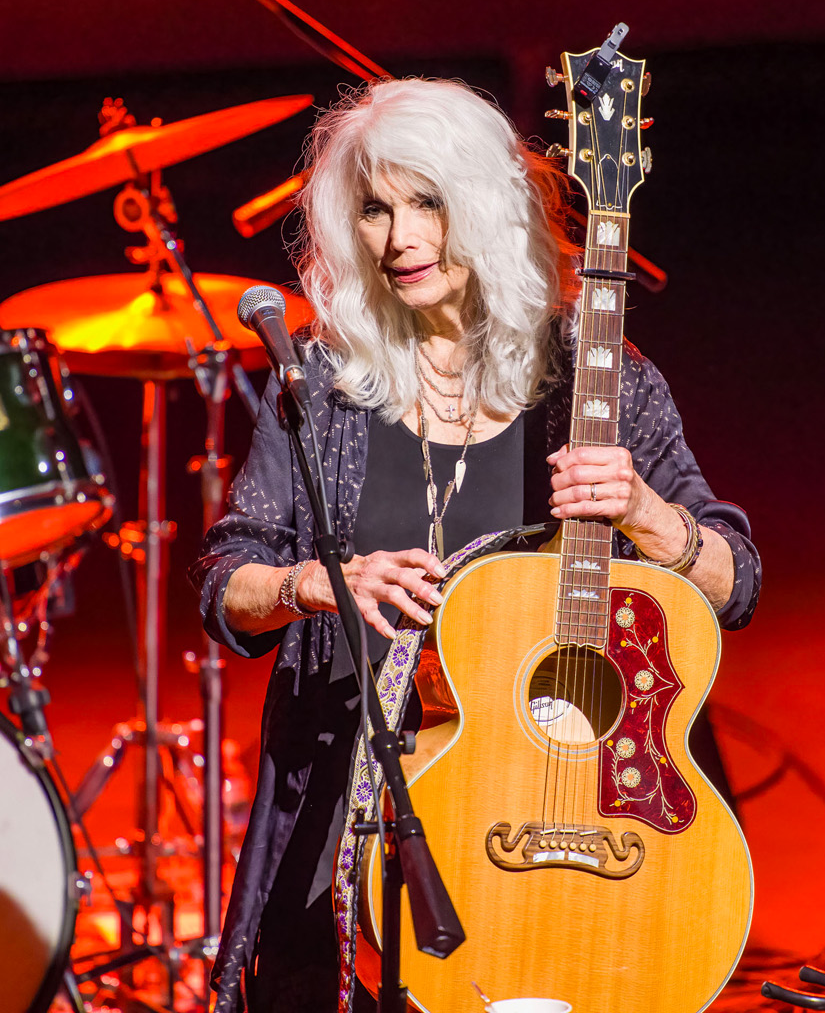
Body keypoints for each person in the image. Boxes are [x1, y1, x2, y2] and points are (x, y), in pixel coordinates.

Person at [193, 77, 761, 1013]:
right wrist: (314, 583)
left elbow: (735, 585)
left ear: (488, 207)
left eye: (427, 203)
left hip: (556, 818)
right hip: (359, 819)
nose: (399, 238)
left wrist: (648, 514)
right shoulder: (324, 386)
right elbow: (224, 584)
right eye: (373, 210)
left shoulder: (597, 378)